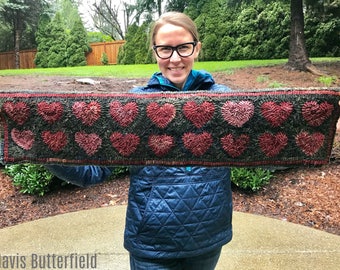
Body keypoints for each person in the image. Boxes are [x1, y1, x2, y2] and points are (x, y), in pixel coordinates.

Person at [45, 12, 232, 270]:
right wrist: (41, 147)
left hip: (207, 239)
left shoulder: (226, 102)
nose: (175, 58)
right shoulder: (132, 107)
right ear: (155, 52)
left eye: (183, 48)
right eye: (165, 49)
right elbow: (94, 171)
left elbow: (263, 156)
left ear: (196, 49)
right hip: (151, 244)